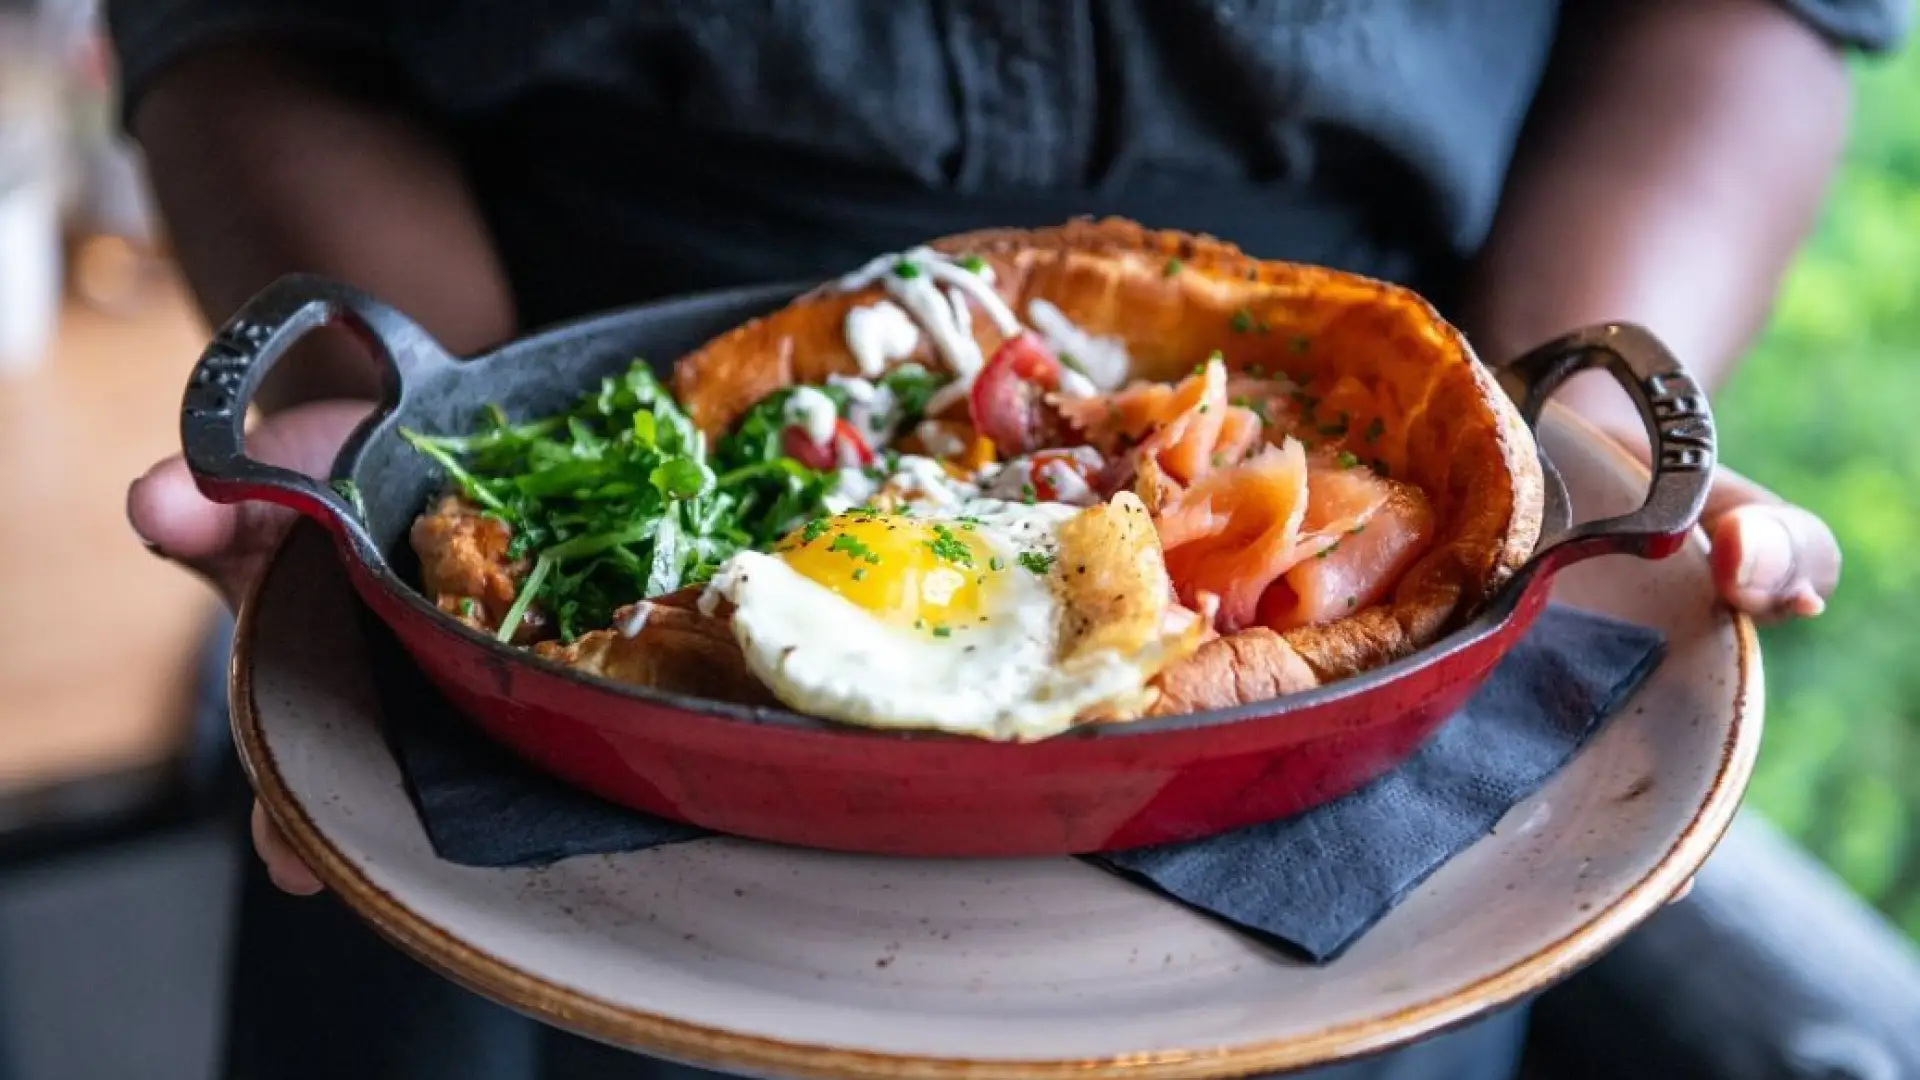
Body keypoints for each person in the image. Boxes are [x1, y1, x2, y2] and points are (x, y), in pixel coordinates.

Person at [109, 2, 1889, 1077]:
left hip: (1403, 449)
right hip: (556, 344)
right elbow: (243, 24)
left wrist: (1552, 425)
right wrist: (424, 413)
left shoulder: (1324, 472)